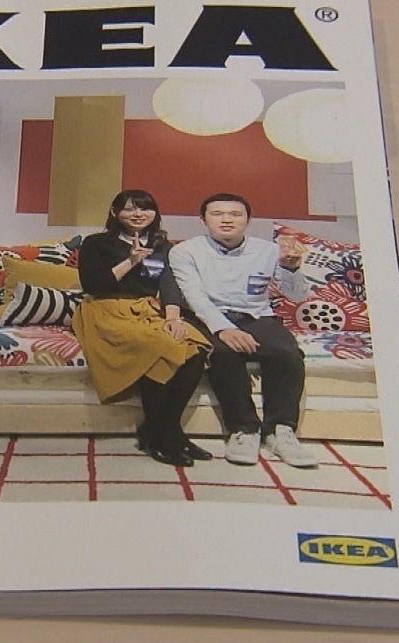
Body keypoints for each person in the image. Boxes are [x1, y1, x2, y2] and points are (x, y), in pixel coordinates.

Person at [169, 193, 318, 468]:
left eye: (235, 214)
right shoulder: (185, 251)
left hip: (257, 315)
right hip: (210, 317)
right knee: (224, 354)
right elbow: (195, 297)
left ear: (248, 220)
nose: (226, 220)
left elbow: (297, 296)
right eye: (217, 214)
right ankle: (244, 429)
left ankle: (280, 431)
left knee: (287, 353)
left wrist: (292, 269)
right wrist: (224, 329)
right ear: (203, 220)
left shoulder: (269, 250)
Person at [72, 190, 211, 467]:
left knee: (194, 348)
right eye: (129, 209)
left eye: (145, 208)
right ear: (115, 213)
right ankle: (162, 436)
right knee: (157, 348)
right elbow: (93, 285)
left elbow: (170, 283)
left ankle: (166, 429)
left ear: (155, 213)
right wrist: (131, 261)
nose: (138, 214)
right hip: (106, 309)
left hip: (147, 309)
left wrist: (173, 318)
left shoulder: (163, 245)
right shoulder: (96, 243)